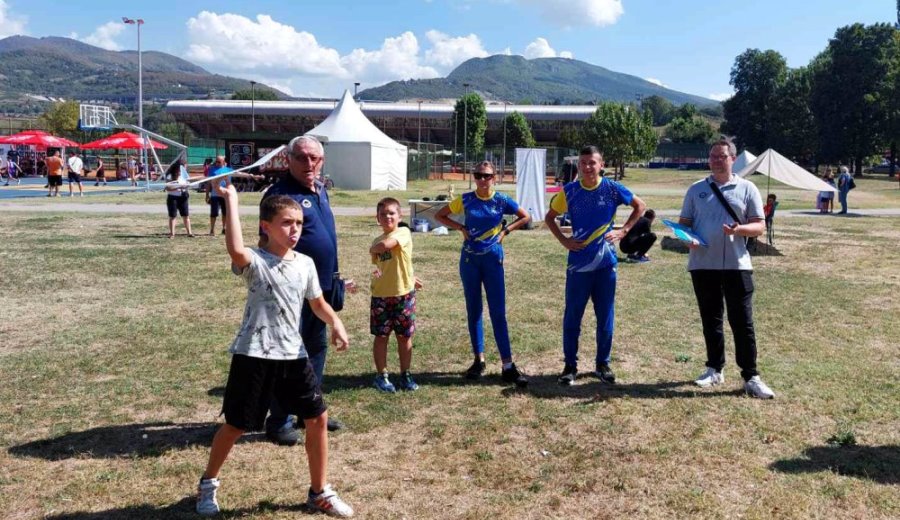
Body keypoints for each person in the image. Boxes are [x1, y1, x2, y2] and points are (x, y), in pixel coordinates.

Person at [195, 183, 354, 518]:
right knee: (237, 425)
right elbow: (236, 250)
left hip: (293, 354)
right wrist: (232, 201)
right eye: (286, 223)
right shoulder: (256, 260)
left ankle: (319, 492)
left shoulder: (306, 263)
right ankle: (208, 483)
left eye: (298, 223)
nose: (294, 229)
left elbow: (318, 302)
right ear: (266, 227)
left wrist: (336, 323)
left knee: (317, 418)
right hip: (254, 353)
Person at [261, 135, 351, 443]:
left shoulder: (320, 189)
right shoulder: (280, 195)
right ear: (288, 159)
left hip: (321, 286)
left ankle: (309, 411)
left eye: (314, 158)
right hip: (290, 289)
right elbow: (268, 245)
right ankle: (279, 421)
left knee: (316, 349)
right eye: (301, 157)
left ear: (322, 161)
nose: (308, 163)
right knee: (287, 353)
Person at [679, 137, 775, 399]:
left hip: (737, 265)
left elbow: (759, 226)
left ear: (733, 159)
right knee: (711, 320)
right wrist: (687, 237)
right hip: (702, 265)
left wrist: (739, 229)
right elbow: (684, 224)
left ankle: (751, 376)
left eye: (722, 156)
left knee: (742, 322)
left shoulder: (747, 188)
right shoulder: (696, 189)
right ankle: (714, 369)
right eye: (712, 156)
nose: (716, 161)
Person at [545, 146, 645, 386]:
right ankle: (570, 365)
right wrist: (564, 240)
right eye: (583, 163)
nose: (587, 167)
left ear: (601, 165)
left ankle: (603, 363)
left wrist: (624, 230)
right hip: (578, 265)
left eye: (592, 162)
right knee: (573, 316)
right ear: (578, 166)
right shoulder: (569, 191)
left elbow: (640, 206)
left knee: (605, 316)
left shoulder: (612, 189)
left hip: (605, 264)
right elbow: (549, 217)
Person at [435, 161, 531, 387]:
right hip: (469, 260)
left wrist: (505, 231)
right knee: (474, 309)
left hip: (492, 259)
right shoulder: (466, 199)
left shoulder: (501, 200)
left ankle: (508, 364)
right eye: (478, 175)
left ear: (494, 178)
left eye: (487, 176)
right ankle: (479, 360)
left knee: (498, 311)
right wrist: (460, 228)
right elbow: (441, 215)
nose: (482, 180)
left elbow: (525, 216)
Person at [369, 197, 423, 392]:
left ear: (400, 216)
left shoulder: (403, 232)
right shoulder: (376, 240)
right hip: (381, 296)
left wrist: (372, 249)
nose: (387, 217)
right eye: (383, 214)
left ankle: (405, 374)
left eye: (391, 213)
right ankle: (381, 375)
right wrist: (409, 275)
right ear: (377, 218)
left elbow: (387, 246)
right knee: (381, 336)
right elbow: (381, 266)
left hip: (403, 296)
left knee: (404, 337)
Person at [165, 158, 195, 238]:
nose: (184, 168)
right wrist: (179, 187)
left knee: (186, 215)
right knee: (173, 216)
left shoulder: (184, 175)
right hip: (173, 198)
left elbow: (188, 183)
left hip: (183, 197)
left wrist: (186, 186)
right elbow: (168, 188)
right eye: (183, 166)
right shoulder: (170, 175)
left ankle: (189, 233)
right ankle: (172, 234)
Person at [205, 156, 231, 236]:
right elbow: (208, 183)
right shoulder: (212, 169)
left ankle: (224, 228)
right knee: (214, 213)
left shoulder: (228, 170)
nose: (217, 163)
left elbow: (229, 183)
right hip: (214, 195)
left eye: (219, 162)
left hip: (224, 195)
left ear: (223, 162)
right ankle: (212, 230)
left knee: (225, 213)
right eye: (216, 161)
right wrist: (207, 195)